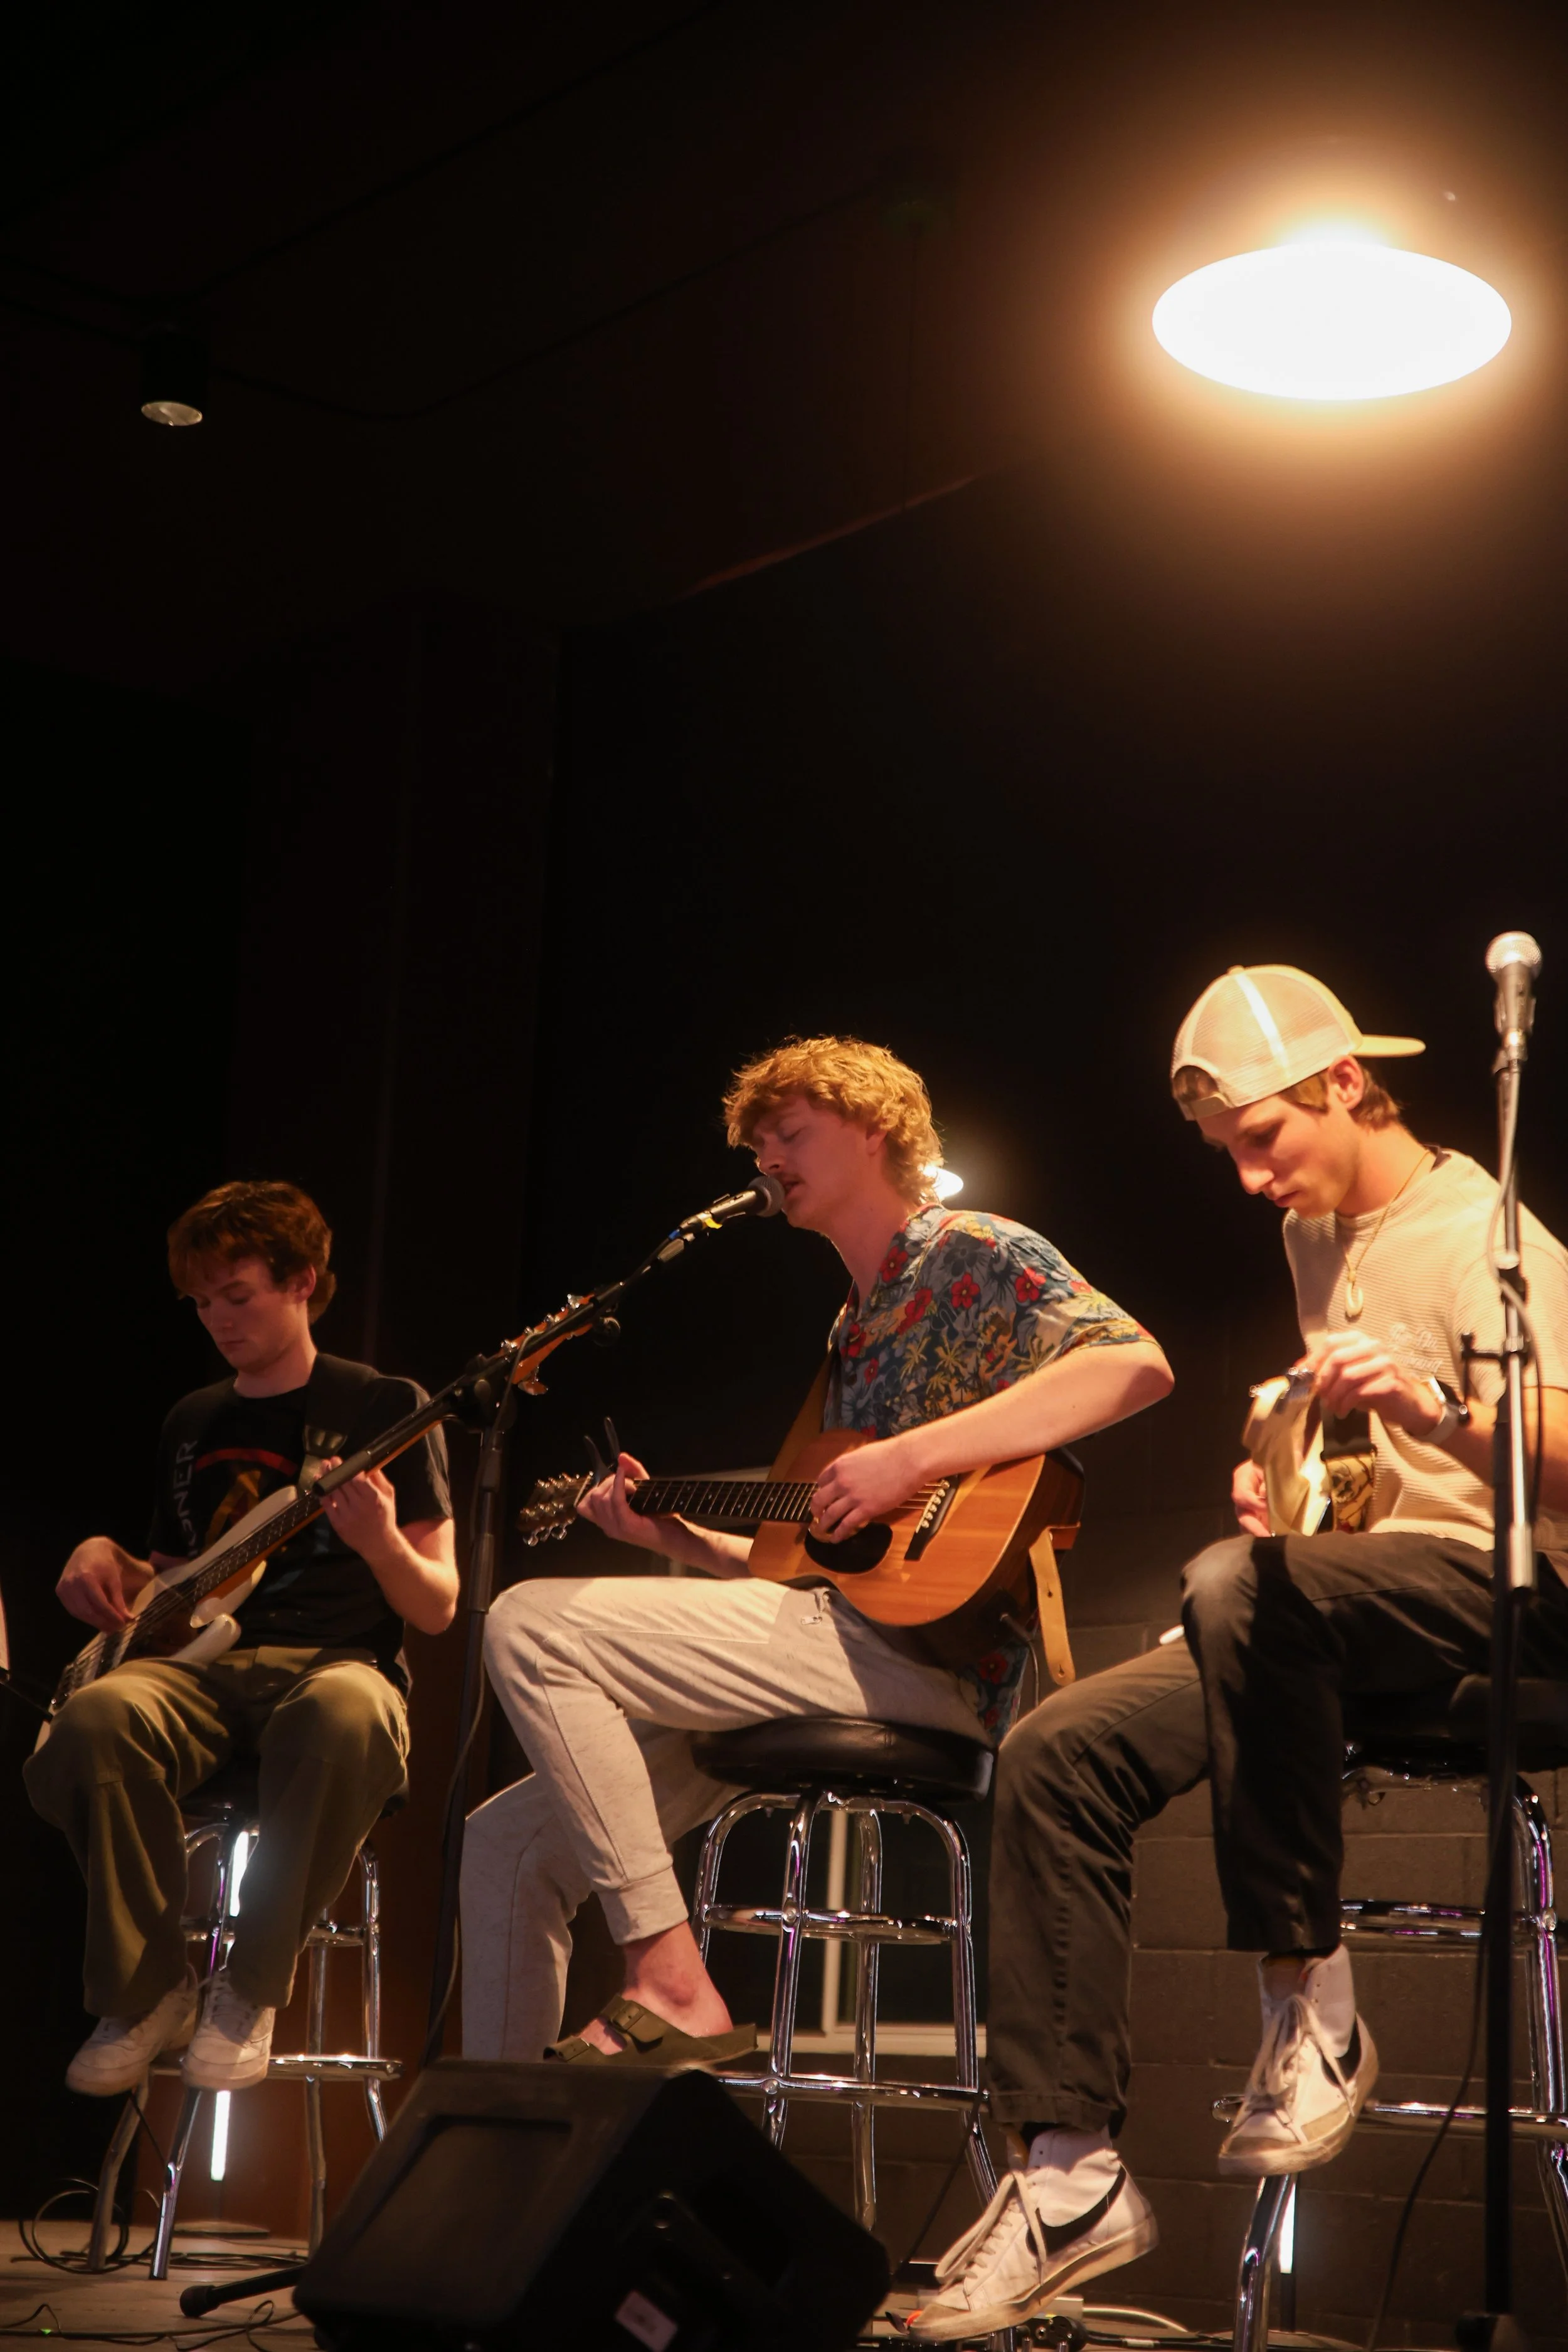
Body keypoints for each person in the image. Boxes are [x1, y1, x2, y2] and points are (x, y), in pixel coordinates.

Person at [908, 963, 1568, 2341]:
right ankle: (1066, 2173)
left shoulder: (1485, 1231)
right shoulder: (1316, 1235)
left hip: (1516, 1599)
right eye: (1227, 1156)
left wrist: (1440, 1412)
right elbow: (1361, 1476)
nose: (1251, 1181)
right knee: (1058, 1748)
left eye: (1262, 1141)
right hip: (1360, 1595)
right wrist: (1292, 1489)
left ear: (1341, 1083)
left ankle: (1305, 2000)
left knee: (1235, 1588)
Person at [460, 1035, 1173, 2076]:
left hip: (933, 1663)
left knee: (529, 1622)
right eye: (757, 1146)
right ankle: (501, 2139)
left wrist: (910, 1458)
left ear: (874, 1128)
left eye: (790, 1133)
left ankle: (669, 1979)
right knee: (504, 1844)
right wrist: (677, 1537)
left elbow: (1136, 1365)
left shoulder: (974, 1250)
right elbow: (806, 1568)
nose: (769, 1160)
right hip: (829, 1644)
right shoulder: (851, 1326)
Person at [26, 1180, 455, 2097]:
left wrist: (379, 1539)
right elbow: (175, 1584)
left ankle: (250, 1986)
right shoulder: (193, 1419)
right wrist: (100, 1554)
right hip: (201, 1673)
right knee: (97, 1717)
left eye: (238, 1295)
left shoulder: (383, 1405)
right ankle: (146, 1990)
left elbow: (437, 1606)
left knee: (347, 1713)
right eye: (201, 1302)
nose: (218, 1319)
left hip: (335, 1664)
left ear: (303, 1280)